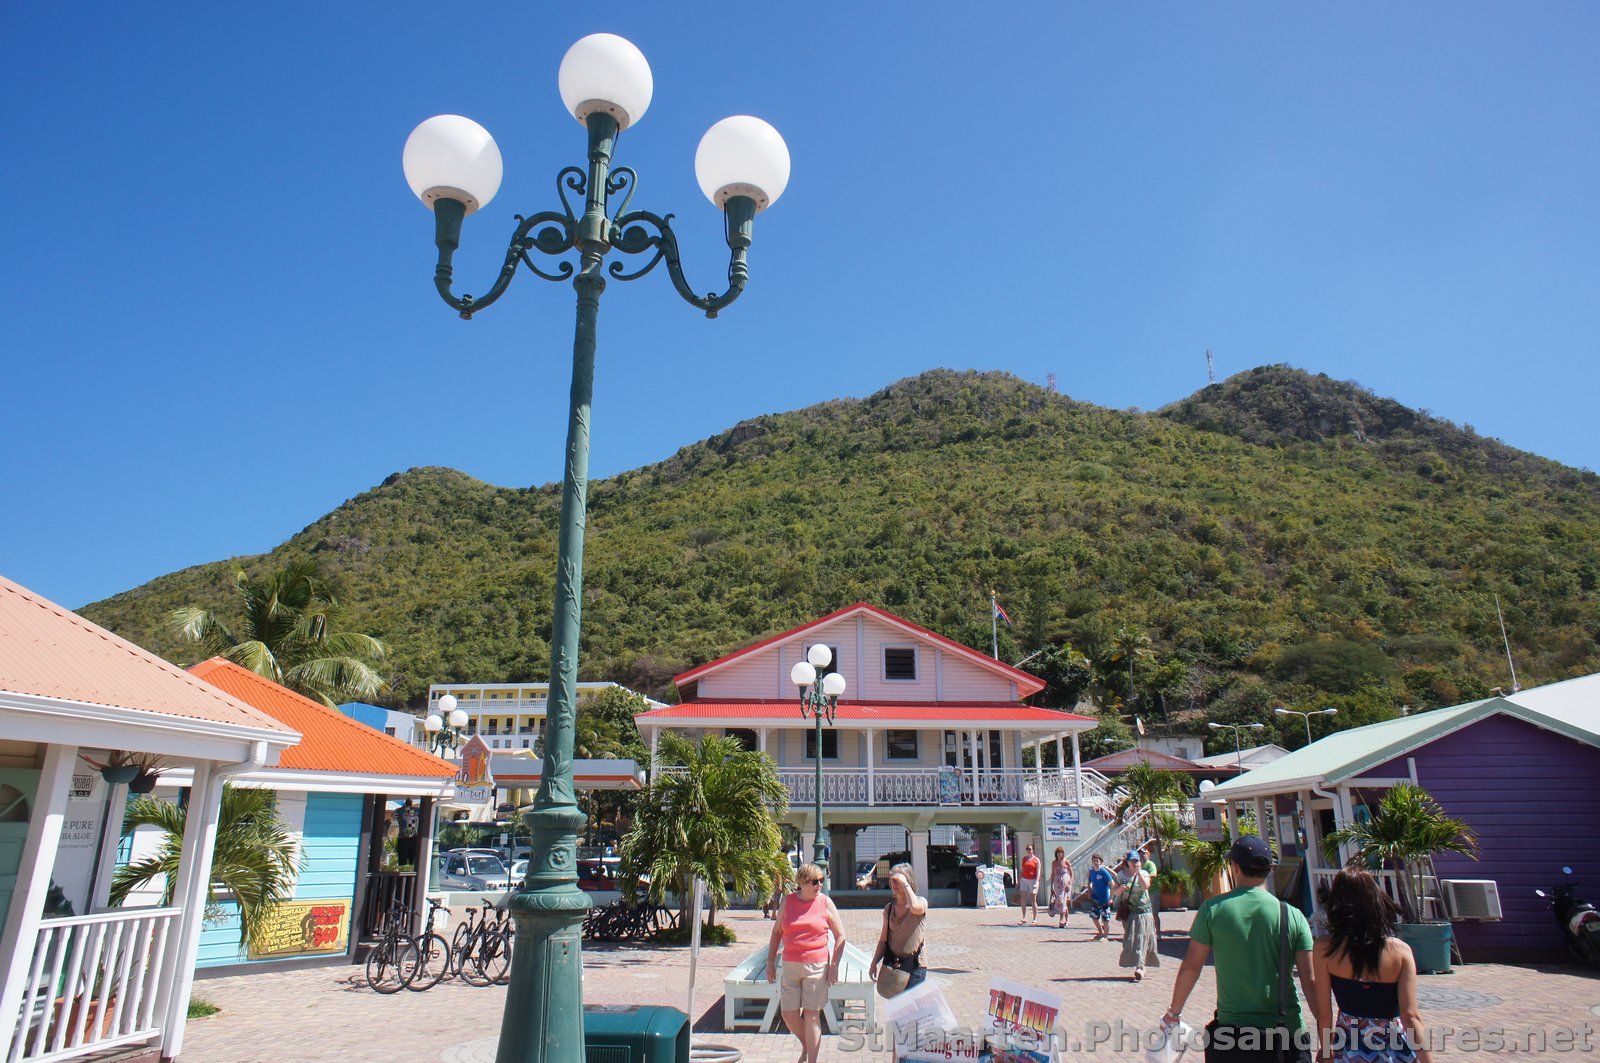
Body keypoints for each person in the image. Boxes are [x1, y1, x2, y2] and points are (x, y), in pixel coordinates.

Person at [1164, 836, 1316, 1062]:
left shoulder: (1213, 909)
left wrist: (1174, 1014)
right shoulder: (1293, 915)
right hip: (1286, 1033)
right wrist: (1326, 1029)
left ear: (1235, 867)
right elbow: (1309, 980)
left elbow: (1191, 968)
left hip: (1233, 1035)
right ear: (1269, 869)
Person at [1311, 868, 1433, 1063]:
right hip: (1393, 1046)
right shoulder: (1400, 952)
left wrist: (1326, 1051)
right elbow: (1410, 1016)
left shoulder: (1325, 949)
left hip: (1349, 1047)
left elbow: (1324, 1014)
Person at [767, 862, 846, 1063]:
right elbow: (777, 932)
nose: (819, 884)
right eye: (814, 881)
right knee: (789, 1015)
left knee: (812, 1016)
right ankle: (808, 1046)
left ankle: (812, 1059)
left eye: (821, 880)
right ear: (801, 882)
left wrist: (834, 965)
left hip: (816, 966)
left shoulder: (825, 902)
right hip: (790, 965)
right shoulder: (788, 901)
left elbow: (841, 936)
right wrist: (770, 962)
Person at [869, 863, 929, 994]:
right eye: (892, 881)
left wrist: (905, 884)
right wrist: (874, 963)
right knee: (897, 1009)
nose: (894, 884)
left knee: (912, 1009)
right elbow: (883, 940)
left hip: (915, 966)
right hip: (894, 966)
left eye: (897, 881)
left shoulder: (921, 902)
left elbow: (915, 908)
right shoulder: (889, 908)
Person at [1112, 851, 1159, 981]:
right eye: (1132, 861)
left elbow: (1146, 887)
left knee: (1141, 939)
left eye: (1137, 861)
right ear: (1127, 862)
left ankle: (1140, 967)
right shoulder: (1121, 875)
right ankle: (1141, 965)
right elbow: (1114, 892)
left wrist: (1138, 873)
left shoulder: (1143, 873)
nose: (1135, 863)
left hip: (1144, 912)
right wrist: (1119, 890)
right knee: (1132, 939)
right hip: (1130, 913)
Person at [1078, 853, 1115, 940]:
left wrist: (1111, 898)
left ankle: (1105, 936)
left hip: (1105, 899)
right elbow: (1089, 882)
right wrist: (1090, 892)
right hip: (1095, 898)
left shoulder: (1103, 872)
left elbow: (1112, 883)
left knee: (1106, 918)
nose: (1096, 863)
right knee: (1094, 917)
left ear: (1100, 862)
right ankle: (1100, 932)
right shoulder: (1091, 871)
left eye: (1097, 861)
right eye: (1094, 861)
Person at [1141, 840, 1163, 937]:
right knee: (1144, 914)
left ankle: (1158, 933)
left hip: (1153, 891)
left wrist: (1145, 876)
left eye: (1144, 854)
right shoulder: (1140, 865)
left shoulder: (1150, 864)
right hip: (1143, 892)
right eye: (1141, 854)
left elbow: (1153, 874)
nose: (1143, 856)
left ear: (1148, 855)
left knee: (1154, 913)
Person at [1047, 847, 1074, 929]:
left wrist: (1070, 883)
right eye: (1058, 853)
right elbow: (1052, 874)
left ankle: (1062, 919)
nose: (1060, 854)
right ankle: (1067, 919)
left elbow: (1072, 873)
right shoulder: (1054, 863)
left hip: (1065, 884)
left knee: (1063, 900)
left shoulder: (1066, 862)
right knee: (1061, 900)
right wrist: (1051, 886)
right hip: (1057, 884)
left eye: (1061, 852)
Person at [1018, 844, 1041, 923]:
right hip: (1024, 879)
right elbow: (1022, 870)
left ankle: (1035, 918)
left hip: (1033, 880)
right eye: (1027, 849)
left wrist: (1037, 882)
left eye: (1030, 849)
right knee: (1023, 899)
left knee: (1033, 899)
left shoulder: (1036, 860)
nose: (1028, 850)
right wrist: (1019, 880)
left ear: (1033, 850)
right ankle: (1023, 917)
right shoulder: (1024, 859)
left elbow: (1038, 872)